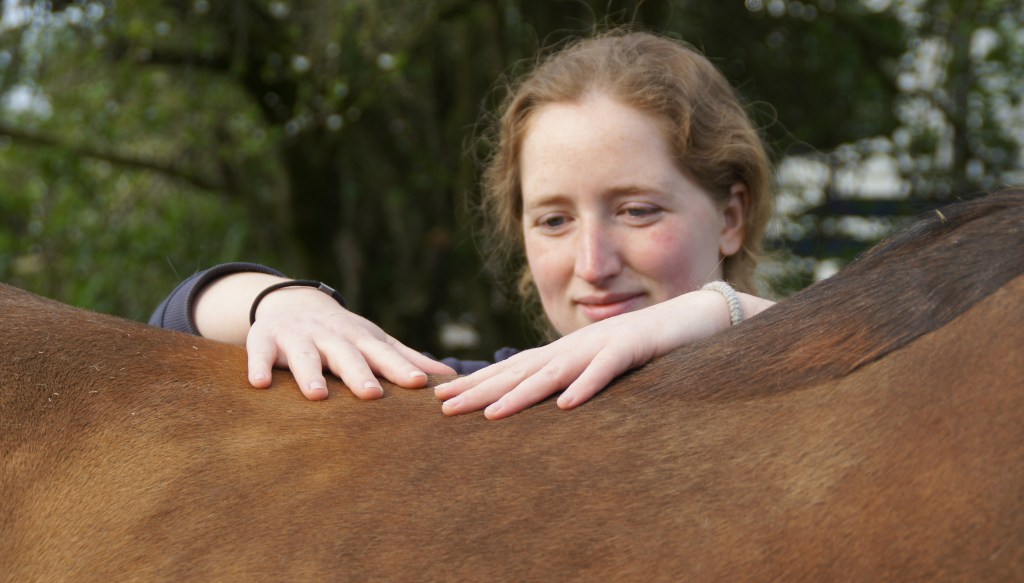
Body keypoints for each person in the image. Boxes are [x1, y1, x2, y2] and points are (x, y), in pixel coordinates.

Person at [150, 30, 776, 419]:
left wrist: (731, 313)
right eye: (554, 220)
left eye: (637, 210)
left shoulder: (800, 392)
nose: (592, 263)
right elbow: (166, 331)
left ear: (731, 216)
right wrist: (281, 301)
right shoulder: (483, 396)